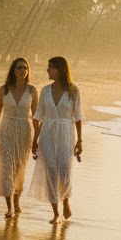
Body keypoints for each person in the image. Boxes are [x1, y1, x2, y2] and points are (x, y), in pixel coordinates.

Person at [29, 55, 84, 223]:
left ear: (59, 70)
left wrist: (80, 140)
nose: (48, 70)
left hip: (66, 133)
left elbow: (78, 117)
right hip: (47, 133)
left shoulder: (73, 90)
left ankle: (66, 201)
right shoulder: (45, 90)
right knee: (51, 171)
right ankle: (55, 213)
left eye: (50, 67)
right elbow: (37, 116)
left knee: (65, 171)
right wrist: (35, 139)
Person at [0, 57, 38, 218]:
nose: (22, 70)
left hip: (24, 131)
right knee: (6, 167)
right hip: (6, 130)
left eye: (25, 68)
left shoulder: (32, 90)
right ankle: (9, 207)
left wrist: (37, 137)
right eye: (19, 68)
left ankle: (17, 201)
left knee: (19, 168)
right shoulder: (4, 89)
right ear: (13, 70)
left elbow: (36, 115)